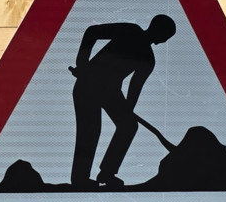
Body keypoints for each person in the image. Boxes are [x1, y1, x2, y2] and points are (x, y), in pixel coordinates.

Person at [68, 14, 176, 188]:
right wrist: (82, 63)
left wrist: (127, 111)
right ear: (159, 32)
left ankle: (107, 172)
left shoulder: (148, 60)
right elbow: (92, 32)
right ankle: (80, 178)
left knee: (129, 125)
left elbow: (134, 90)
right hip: (87, 84)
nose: (164, 41)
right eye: (166, 36)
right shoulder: (130, 31)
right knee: (90, 130)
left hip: (110, 92)